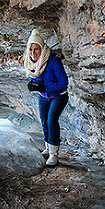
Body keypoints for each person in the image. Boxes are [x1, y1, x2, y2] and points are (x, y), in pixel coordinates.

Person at [24, 29, 68, 166]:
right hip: (43, 96)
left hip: (58, 96)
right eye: (30, 49)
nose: (33, 53)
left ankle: (54, 154)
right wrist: (34, 85)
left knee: (51, 120)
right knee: (43, 121)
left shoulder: (53, 61)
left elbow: (63, 82)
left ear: (42, 49)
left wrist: (45, 88)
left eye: (36, 49)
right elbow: (36, 78)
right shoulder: (30, 62)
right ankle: (48, 147)